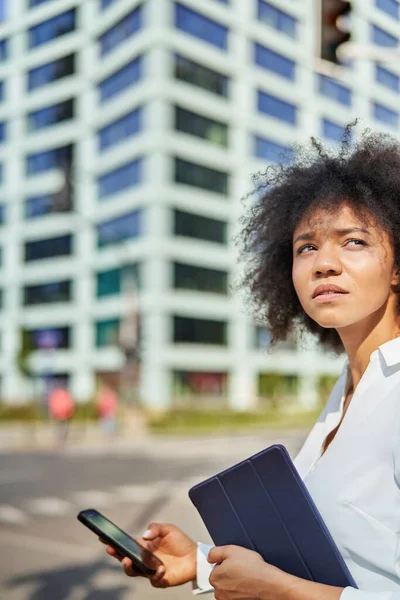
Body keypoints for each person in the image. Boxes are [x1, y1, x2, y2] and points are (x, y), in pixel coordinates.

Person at [101, 126, 400, 599]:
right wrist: (198, 563)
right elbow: (323, 554)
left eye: (353, 241)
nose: (324, 263)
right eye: (307, 246)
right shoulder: (346, 388)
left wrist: (279, 591)